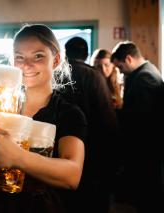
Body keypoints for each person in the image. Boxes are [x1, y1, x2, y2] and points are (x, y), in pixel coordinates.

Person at [0, 24, 87, 213]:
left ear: (55, 60)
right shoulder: (1, 106)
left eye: (38, 56)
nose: (26, 65)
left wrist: (18, 156)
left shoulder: (68, 113)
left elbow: (72, 175)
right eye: (19, 57)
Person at [61, 37, 119, 213]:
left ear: (66, 52)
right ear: (86, 54)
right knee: (92, 200)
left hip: (61, 145)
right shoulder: (94, 75)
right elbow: (108, 119)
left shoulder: (57, 73)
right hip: (93, 147)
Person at [111, 41, 164, 213]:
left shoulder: (144, 78)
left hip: (146, 149)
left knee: (148, 198)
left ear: (128, 59)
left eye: (120, 67)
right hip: (147, 149)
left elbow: (141, 121)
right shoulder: (147, 71)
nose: (120, 72)